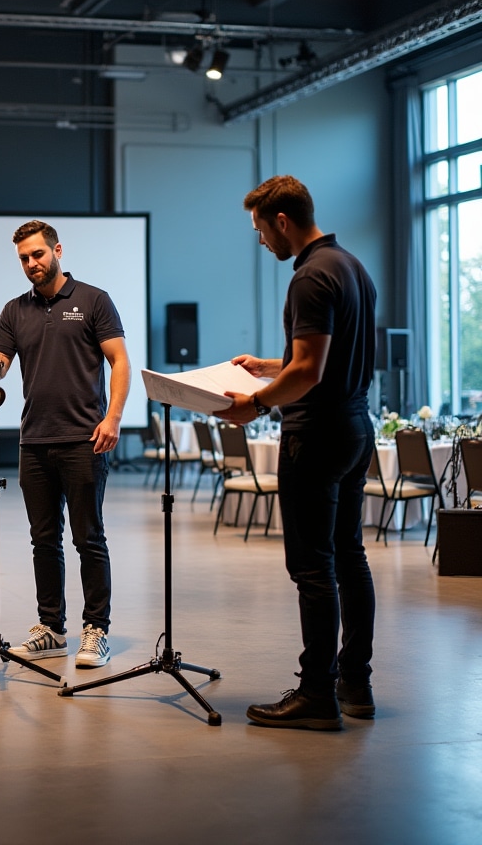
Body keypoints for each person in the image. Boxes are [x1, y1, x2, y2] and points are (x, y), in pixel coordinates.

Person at [216, 175, 377, 730]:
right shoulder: (351, 267)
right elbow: (321, 359)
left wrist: (256, 403)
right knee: (349, 557)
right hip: (355, 428)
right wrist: (268, 367)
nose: (262, 241)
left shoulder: (309, 277)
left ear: (281, 221)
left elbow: (308, 371)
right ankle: (355, 683)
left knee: (312, 568)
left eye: (261, 230)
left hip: (316, 436)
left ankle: (315, 696)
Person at [0, 220, 130, 668]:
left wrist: (113, 418)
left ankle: (96, 630)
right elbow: (2, 359)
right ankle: (52, 629)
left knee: (88, 538)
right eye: (24, 258)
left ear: (57, 251)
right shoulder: (14, 310)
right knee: (44, 541)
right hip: (34, 440)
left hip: (85, 439)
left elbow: (119, 361)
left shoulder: (93, 300)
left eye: (38, 254)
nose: (31, 263)